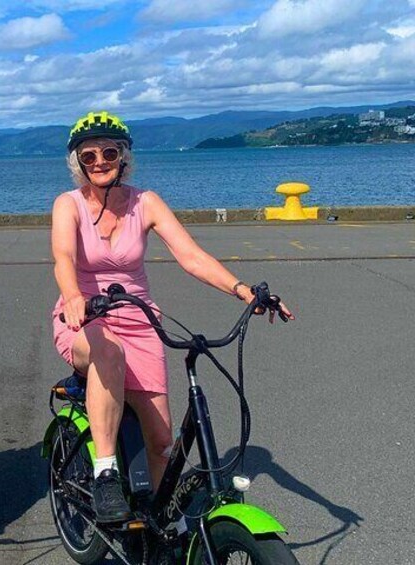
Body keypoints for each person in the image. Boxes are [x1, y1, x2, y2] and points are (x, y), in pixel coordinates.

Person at [51, 111, 294, 523]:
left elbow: (191, 256)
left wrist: (243, 290)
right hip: (85, 319)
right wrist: (74, 296)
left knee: (163, 441)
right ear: (78, 163)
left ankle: (159, 522)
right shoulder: (68, 204)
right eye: (89, 156)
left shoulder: (145, 202)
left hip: (139, 320)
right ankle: (106, 474)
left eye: (109, 152)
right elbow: (63, 257)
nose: (100, 162)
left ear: (123, 157)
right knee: (108, 353)